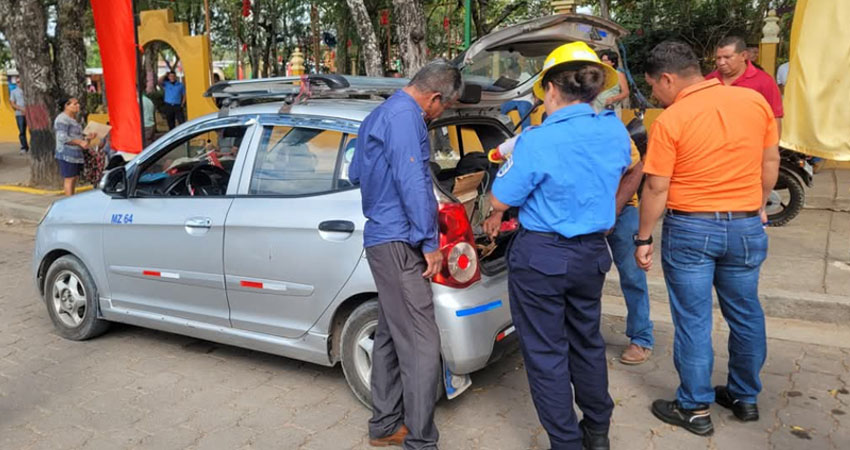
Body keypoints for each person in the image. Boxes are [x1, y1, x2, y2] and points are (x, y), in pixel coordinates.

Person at [482, 41, 632, 450]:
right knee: (586, 341)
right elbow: (627, 170)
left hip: (543, 257)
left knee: (547, 352)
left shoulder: (537, 140)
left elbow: (499, 200)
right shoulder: (613, 130)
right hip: (591, 256)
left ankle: (566, 442)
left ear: (549, 89)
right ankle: (597, 431)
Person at [635, 41, 780, 436]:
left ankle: (694, 408)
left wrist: (643, 237)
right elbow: (770, 162)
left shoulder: (671, 119)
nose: (655, 96)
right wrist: (759, 204)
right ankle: (745, 397)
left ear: (667, 78)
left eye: (653, 87)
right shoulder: (753, 102)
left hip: (692, 230)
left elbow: (656, 189)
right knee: (746, 312)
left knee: (693, 320)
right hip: (747, 225)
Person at [348, 60, 463, 450]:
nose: (440, 114)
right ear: (433, 98)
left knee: (389, 333)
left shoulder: (378, 115)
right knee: (420, 340)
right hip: (400, 241)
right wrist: (429, 241)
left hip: (381, 238)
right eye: (443, 108)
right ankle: (421, 441)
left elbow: (356, 175)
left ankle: (384, 426)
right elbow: (414, 182)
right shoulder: (407, 117)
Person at [608, 139, 654, 365]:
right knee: (580, 277)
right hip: (584, 211)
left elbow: (636, 168)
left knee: (632, 276)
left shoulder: (614, 131)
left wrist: (614, 210)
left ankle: (641, 337)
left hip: (623, 209)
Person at [707, 36, 783, 134]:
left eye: (727, 57)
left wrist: (772, 148)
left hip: (751, 143)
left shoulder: (764, 81)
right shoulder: (709, 80)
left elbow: (775, 117)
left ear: (743, 56)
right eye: (718, 58)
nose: (721, 63)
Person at [54, 98, 93, 196]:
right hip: (66, 154)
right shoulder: (62, 119)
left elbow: (78, 136)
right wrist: (80, 142)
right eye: (74, 104)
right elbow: (62, 137)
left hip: (76, 154)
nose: (78, 106)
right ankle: (68, 201)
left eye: (78, 104)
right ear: (66, 106)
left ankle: (71, 198)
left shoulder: (75, 119)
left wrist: (87, 138)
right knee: (69, 179)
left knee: (74, 178)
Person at [592, 50, 630, 117]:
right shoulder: (598, 74)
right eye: (602, 60)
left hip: (611, 109)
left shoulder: (619, 75)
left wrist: (613, 99)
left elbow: (626, 92)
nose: (603, 62)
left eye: (606, 60)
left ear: (613, 62)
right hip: (596, 108)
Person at [9, 80, 28, 154]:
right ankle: (24, 147)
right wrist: (21, 109)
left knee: (33, 131)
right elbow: (12, 103)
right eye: (18, 82)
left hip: (29, 113)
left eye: (21, 81)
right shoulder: (14, 92)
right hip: (19, 114)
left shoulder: (28, 91)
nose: (20, 83)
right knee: (22, 131)